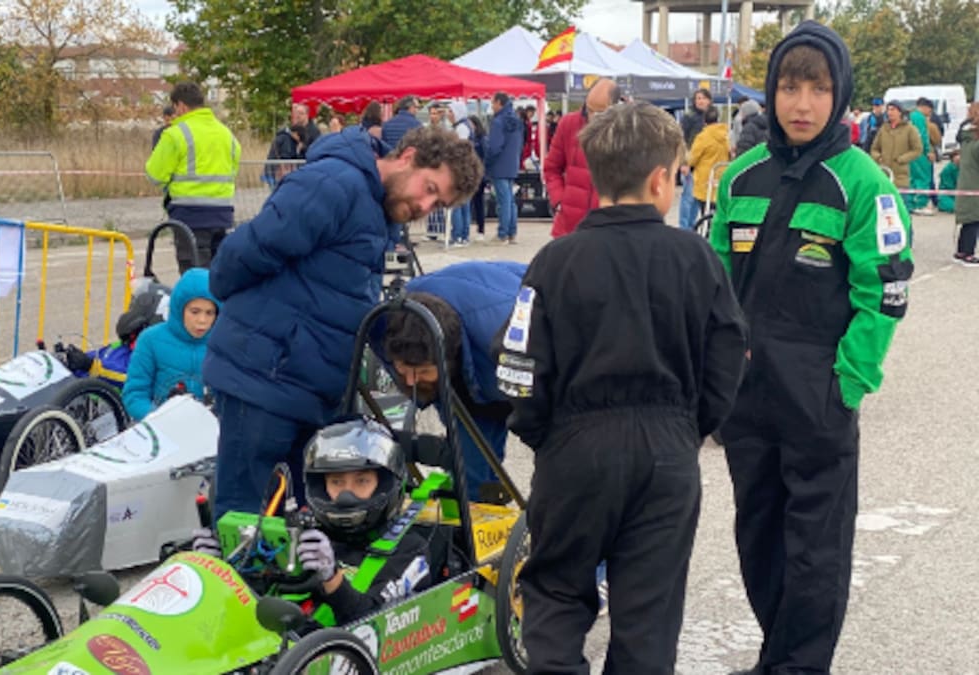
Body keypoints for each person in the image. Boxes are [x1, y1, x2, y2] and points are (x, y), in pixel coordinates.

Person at [501, 100, 747, 673]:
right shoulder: (696, 258)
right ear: (662, 179)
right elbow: (728, 355)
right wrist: (692, 426)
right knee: (649, 612)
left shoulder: (555, 262)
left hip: (575, 446)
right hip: (667, 449)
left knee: (557, 590)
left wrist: (545, 435)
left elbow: (518, 364)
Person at [709, 23, 914, 674]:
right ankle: (779, 656)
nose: (801, 103)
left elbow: (885, 292)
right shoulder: (740, 176)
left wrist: (846, 382)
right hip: (747, 398)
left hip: (818, 394)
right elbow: (715, 282)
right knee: (758, 536)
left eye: (817, 89)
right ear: (771, 93)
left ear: (840, 94)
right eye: (789, 87)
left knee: (815, 549)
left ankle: (800, 667)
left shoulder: (863, 184)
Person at [205, 127, 483, 519]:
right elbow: (238, 259)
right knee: (245, 515)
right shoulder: (333, 184)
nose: (425, 206)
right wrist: (269, 334)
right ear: (408, 156)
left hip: (312, 390)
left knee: (317, 517)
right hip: (264, 380)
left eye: (438, 204)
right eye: (430, 188)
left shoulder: (378, 211)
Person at [192, 419, 431, 625]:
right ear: (322, 486)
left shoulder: (409, 550)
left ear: (386, 484)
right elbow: (252, 600)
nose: (347, 496)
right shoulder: (303, 532)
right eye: (337, 482)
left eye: (361, 482)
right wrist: (219, 569)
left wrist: (331, 578)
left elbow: (375, 624)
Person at [372, 261, 524, 501]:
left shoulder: (510, 335)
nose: (410, 381)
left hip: (514, 358)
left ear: (448, 356)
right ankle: (475, 520)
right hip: (467, 367)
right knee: (468, 471)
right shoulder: (386, 321)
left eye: (421, 371)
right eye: (404, 370)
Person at [146, 82, 241, 268]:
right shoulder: (226, 134)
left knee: (194, 277)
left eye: (175, 109)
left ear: (181, 105)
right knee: (218, 275)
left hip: (189, 215)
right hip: (223, 214)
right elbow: (233, 169)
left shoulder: (175, 134)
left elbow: (154, 174)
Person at [122, 268, 219, 421]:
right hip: (160, 429)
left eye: (209, 313)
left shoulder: (224, 345)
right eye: (195, 312)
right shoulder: (150, 340)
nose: (202, 320)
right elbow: (135, 394)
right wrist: (158, 419)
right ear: (179, 308)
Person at [542, 78, 619, 238]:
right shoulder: (568, 123)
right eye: (589, 109)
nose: (592, 116)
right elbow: (551, 167)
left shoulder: (625, 132)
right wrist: (559, 200)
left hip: (607, 226)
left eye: (599, 112)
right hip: (568, 225)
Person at [485, 91, 525, 244]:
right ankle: (512, 232)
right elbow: (521, 143)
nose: (492, 107)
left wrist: (487, 162)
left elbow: (494, 146)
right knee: (510, 200)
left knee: (503, 201)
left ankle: (502, 233)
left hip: (499, 165)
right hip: (512, 163)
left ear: (499, 103)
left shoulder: (498, 122)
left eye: (492, 103)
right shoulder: (516, 120)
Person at [870, 102, 923, 212]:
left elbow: (917, 149)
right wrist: (878, 157)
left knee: (902, 211)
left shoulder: (910, 129)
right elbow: (874, 148)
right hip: (884, 176)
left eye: (893, 109)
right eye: (888, 110)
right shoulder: (884, 128)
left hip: (901, 177)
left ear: (900, 112)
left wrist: (902, 159)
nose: (890, 112)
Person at [679, 88, 714, 230]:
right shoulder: (689, 116)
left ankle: (693, 227)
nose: (700, 101)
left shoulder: (710, 116)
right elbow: (681, 139)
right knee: (689, 198)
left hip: (704, 163)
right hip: (690, 161)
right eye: (698, 98)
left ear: (709, 100)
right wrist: (683, 162)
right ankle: (685, 228)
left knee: (698, 197)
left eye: (703, 98)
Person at [689, 105, 730, 217]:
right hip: (721, 179)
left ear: (704, 120)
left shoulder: (702, 137)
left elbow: (692, 159)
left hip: (705, 181)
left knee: (706, 214)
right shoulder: (726, 135)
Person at [953, 103, 979, 265]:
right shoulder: (975, 143)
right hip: (975, 183)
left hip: (966, 182)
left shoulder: (966, 140)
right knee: (974, 219)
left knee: (969, 220)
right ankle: (968, 253)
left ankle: (962, 250)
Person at [446, 102, 475, 246]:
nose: (448, 114)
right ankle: (464, 235)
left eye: (450, 112)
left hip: (460, 169)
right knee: (464, 204)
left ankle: (458, 234)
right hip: (465, 168)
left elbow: (458, 150)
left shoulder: (461, 128)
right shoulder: (464, 126)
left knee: (457, 203)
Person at [908, 99, 935, 215]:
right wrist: (928, 151)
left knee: (912, 179)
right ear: (926, 107)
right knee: (923, 178)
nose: (930, 113)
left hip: (909, 152)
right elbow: (922, 135)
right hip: (920, 153)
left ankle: (910, 204)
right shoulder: (919, 118)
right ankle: (921, 204)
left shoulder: (910, 116)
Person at [468, 114, 489, 242]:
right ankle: (478, 229)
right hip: (475, 172)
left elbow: (484, 156)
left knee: (478, 203)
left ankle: (480, 229)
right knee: (475, 202)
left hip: (478, 173)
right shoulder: (478, 138)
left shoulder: (481, 139)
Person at [938, 147, 959, 214]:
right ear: (952, 158)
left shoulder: (964, 168)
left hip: (960, 194)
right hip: (947, 194)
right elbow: (948, 186)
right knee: (953, 207)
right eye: (956, 156)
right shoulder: (947, 169)